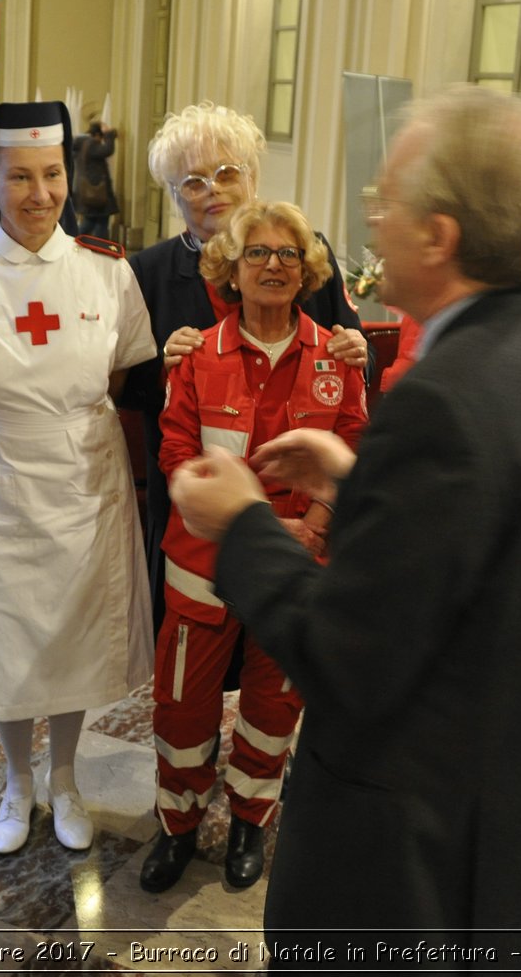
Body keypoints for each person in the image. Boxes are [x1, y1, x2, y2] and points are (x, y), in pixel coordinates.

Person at [167, 85, 521, 959]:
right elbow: (498, 562)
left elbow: (344, 655)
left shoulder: (444, 398)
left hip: (419, 877)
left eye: (388, 200)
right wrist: (363, 486)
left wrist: (241, 521)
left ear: (439, 237)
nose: (370, 218)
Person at [0, 101, 156, 854]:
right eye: (21, 178)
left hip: (87, 485)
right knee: (6, 638)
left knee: (72, 640)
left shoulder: (107, 269)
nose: (40, 193)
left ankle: (64, 775)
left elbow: (128, 374)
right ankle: (15, 781)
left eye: (53, 174)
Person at [140, 200, 368, 893]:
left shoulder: (336, 355)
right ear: (229, 271)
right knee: (182, 708)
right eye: (257, 253)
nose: (274, 264)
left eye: (288, 254)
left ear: (307, 272)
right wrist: (226, 520)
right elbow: (175, 450)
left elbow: (352, 447)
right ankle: (176, 823)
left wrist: (316, 527)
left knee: (275, 706)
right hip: (203, 567)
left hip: (299, 566)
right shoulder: (197, 357)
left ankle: (250, 817)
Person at [120, 101, 368, 636]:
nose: (214, 190)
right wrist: (163, 364)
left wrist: (356, 349)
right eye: (193, 181)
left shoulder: (307, 252)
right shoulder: (146, 272)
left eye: (227, 172)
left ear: (252, 177)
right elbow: (126, 387)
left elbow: (347, 354)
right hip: (196, 509)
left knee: (276, 663)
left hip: (303, 507)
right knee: (194, 658)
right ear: (173, 195)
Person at [72, 120, 119, 240]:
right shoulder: (91, 144)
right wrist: (109, 133)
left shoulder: (80, 145)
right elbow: (107, 150)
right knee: (99, 224)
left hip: (86, 192)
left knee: (90, 221)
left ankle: (75, 241)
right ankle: (97, 249)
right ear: (97, 135)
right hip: (97, 192)